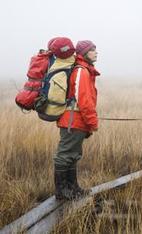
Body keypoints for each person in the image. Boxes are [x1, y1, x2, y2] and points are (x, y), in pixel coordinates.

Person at [53, 40, 100, 200]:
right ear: (84, 53)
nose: (96, 52)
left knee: (73, 154)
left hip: (78, 121)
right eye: (92, 50)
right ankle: (61, 191)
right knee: (65, 155)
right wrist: (93, 123)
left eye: (95, 50)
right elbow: (84, 100)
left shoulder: (85, 70)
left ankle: (73, 188)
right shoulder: (81, 71)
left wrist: (88, 123)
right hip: (72, 121)